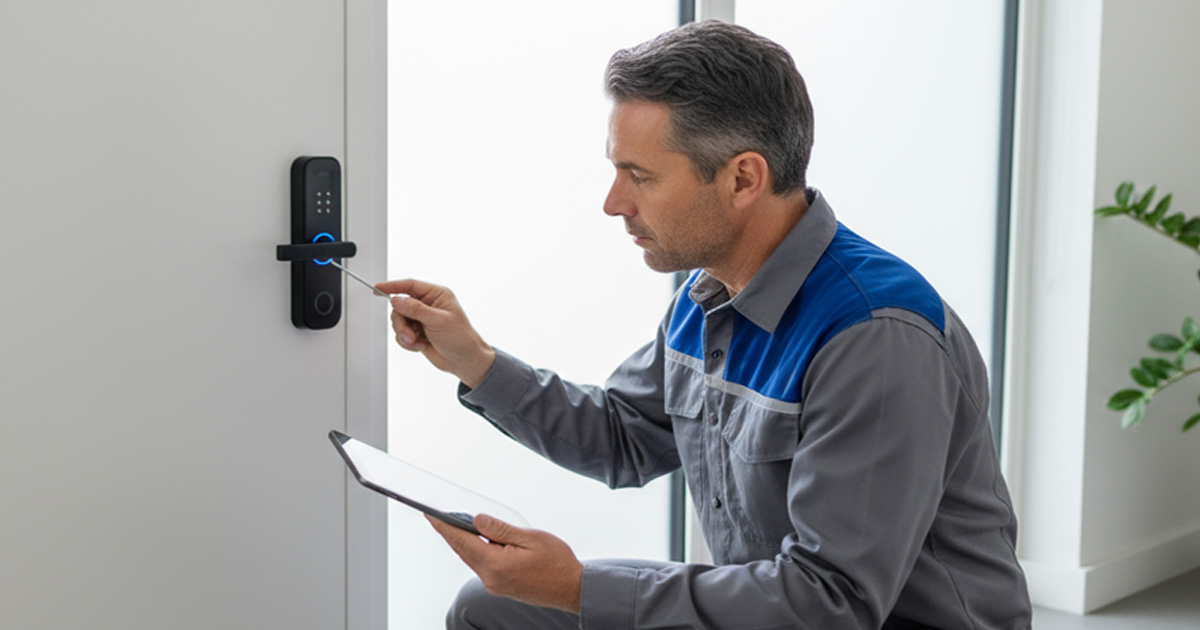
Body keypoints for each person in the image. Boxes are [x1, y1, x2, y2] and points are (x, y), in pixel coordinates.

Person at [378, 20, 1032, 630]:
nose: (614, 204)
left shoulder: (874, 336)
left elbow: (833, 602)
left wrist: (578, 588)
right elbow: (621, 437)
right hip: (775, 606)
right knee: (488, 606)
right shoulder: (706, 296)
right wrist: (475, 362)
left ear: (744, 177)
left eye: (639, 177)